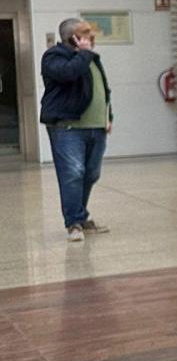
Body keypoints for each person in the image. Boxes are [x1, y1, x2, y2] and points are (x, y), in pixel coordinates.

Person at [40, 19, 113, 243]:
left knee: (91, 173)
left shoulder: (90, 57)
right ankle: (73, 223)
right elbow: (68, 74)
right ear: (72, 37)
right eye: (86, 33)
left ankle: (80, 216)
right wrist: (83, 53)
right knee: (73, 174)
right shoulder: (54, 56)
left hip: (96, 128)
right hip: (68, 128)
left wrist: (108, 116)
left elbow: (102, 88)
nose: (91, 36)